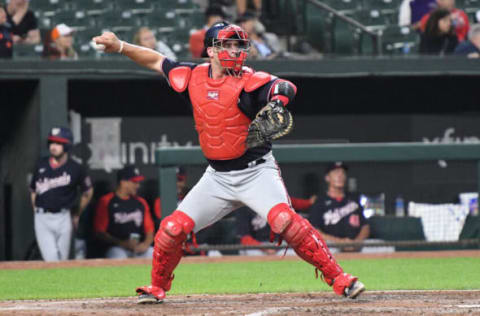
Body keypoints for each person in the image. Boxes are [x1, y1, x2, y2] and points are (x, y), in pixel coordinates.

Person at [93, 20, 365, 304]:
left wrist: (277, 102)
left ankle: (340, 278)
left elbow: (285, 86)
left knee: (287, 222)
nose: (235, 51)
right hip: (217, 177)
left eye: (239, 45)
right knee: (171, 230)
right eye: (227, 44)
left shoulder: (249, 81)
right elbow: (156, 60)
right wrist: (121, 46)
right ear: (210, 50)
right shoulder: (192, 75)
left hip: (256, 172)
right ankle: (157, 287)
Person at [29, 127, 94, 261]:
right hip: (43, 217)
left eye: (58, 143)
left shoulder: (75, 168)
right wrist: (36, 210)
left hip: (64, 216)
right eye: (52, 142)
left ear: (66, 145)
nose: (54, 146)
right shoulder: (41, 164)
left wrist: (77, 213)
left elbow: (88, 191)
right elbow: (33, 190)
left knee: (63, 260)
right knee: (51, 258)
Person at [93, 165, 155, 259]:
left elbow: (150, 230)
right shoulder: (106, 201)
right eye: (134, 182)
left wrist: (145, 244)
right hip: (117, 247)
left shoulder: (141, 202)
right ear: (123, 182)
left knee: (152, 253)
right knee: (118, 256)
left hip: (138, 247)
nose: (138, 186)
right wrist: (121, 243)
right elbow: (100, 232)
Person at [309, 162, 370, 253]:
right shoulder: (319, 201)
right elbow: (314, 230)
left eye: (343, 173)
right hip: (331, 246)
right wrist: (339, 242)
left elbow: (365, 226)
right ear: (327, 178)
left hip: (356, 245)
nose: (340, 175)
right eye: (336, 172)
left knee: (384, 247)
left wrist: (357, 242)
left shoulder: (354, 199)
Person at [236, 195, 317, 255]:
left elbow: (293, 202)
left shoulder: (276, 199)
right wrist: (265, 248)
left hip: (280, 244)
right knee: (254, 254)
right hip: (258, 245)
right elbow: (244, 238)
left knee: (291, 252)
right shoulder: (245, 206)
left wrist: (309, 202)